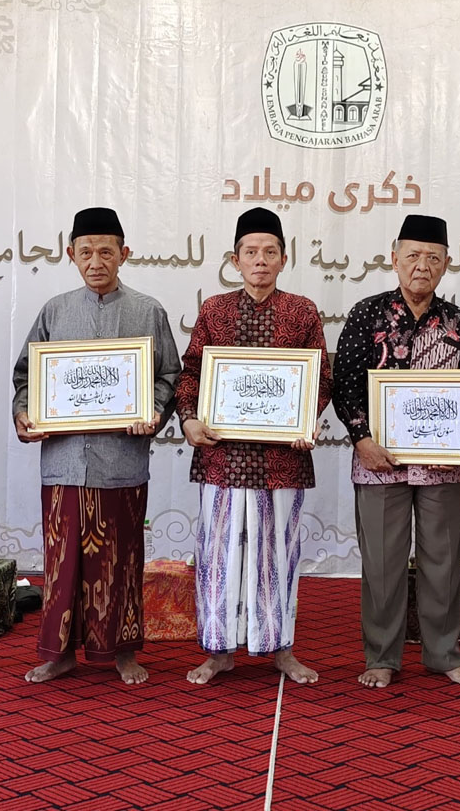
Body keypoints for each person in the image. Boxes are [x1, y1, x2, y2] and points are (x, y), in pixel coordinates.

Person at [12, 207, 181, 686]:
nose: (96, 261)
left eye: (106, 251)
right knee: (62, 563)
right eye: (85, 252)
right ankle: (59, 653)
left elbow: (169, 374)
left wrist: (154, 410)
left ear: (124, 254)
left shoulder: (148, 311)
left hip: (121, 461)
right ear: (71, 255)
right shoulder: (55, 311)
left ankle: (122, 651)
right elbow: (26, 376)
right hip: (63, 461)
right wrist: (25, 414)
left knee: (121, 559)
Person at [176, 207, 332, 685]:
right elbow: (191, 372)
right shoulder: (214, 311)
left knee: (277, 555)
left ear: (284, 259)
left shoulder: (302, 312)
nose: (260, 260)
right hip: (221, 459)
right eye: (250, 252)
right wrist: (189, 419)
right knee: (218, 555)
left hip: (281, 461)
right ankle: (218, 650)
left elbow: (321, 378)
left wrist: (305, 419)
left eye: (269, 252)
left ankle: (280, 648)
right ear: (235, 260)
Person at [332, 214, 460, 689]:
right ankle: (382, 656)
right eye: (413, 256)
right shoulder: (367, 314)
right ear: (394, 258)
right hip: (379, 462)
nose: (423, 266)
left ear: (447, 264)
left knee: (443, 562)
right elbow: (345, 383)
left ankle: (443, 654)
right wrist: (362, 439)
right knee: (382, 564)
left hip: (442, 466)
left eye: (433, 258)